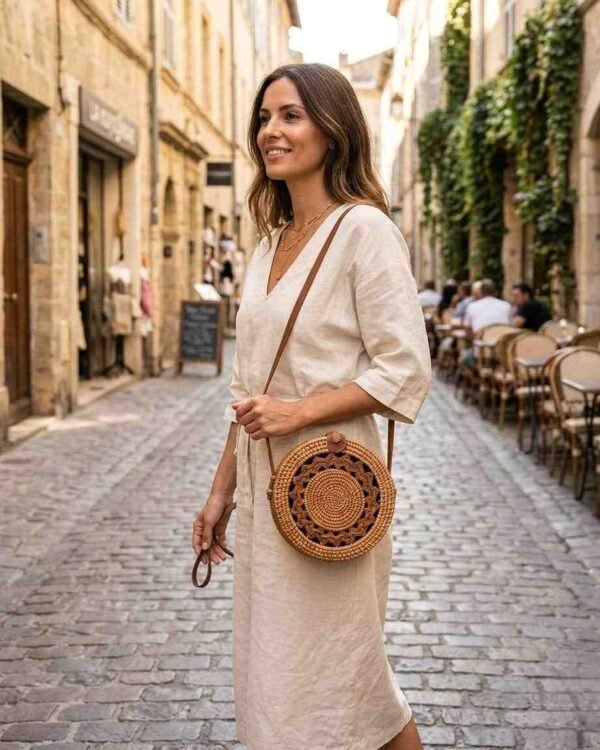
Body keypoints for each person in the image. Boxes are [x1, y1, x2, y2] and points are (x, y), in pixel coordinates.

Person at [191, 63, 431, 750]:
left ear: (333, 130)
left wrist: (297, 414)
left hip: (329, 489)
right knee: (281, 677)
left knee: (348, 677)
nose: (271, 130)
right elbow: (248, 389)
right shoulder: (269, 243)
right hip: (266, 492)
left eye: (291, 115)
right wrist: (221, 492)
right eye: (265, 117)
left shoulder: (364, 231)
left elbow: (405, 368)